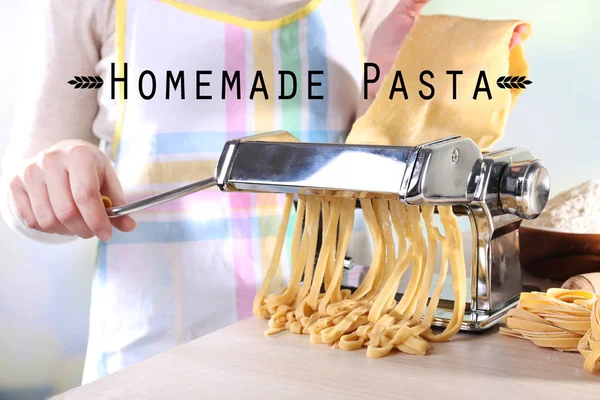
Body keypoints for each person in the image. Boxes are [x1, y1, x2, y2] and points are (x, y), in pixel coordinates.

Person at [0, 0, 526, 382]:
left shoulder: (365, 8)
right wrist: (54, 179)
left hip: (328, 357)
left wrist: (394, 102)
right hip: (151, 364)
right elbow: (26, 205)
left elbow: (392, 171)